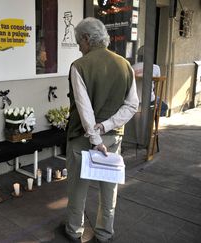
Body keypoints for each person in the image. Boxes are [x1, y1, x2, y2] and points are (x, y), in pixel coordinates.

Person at [60, 17, 139, 243]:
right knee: (109, 189)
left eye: (79, 42)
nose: (78, 47)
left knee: (78, 189)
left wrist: (95, 137)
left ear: (87, 38)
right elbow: (132, 105)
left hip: (82, 138)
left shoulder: (79, 66)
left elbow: (84, 110)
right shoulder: (125, 64)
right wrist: (107, 126)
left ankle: (74, 231)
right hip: (113, 138)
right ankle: (105, 233)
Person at [132, 47, 169, 116]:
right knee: (164, 106)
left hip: (133, 98)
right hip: (150, 100)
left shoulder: (132, 67)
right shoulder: (155, 67)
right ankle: (152, 118)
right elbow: (156, 83)